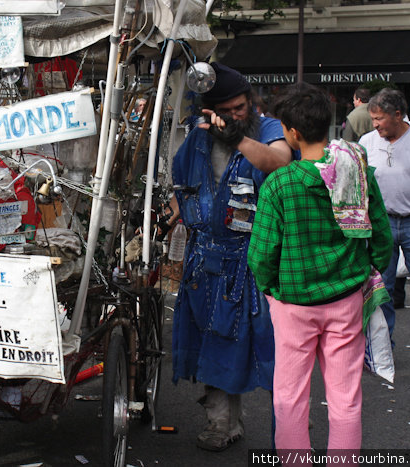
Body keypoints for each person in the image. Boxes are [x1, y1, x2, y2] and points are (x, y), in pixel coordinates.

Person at [248, 83, 392, 463]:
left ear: (292, 133)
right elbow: (380, 233)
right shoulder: (357, 169)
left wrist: (270, 288)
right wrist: (371, 269)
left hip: (293, 301)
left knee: (290, 395)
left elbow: (262, 252)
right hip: (345, 296)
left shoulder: (280, 184)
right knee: (345, 397)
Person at [171, 63, 292, 451]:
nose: (235, 115)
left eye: (240, 107)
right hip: (205, 258)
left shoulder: (268, 128)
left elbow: (280, 162)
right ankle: (222, 424)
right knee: (213, 340)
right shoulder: (199, 136)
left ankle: (289, 439)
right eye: (226, 110)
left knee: (277, 351)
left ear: (251, 101)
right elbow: (180, 181)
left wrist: (237, 134)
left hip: (255, 259)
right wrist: (173, 210)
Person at [359, 88, 410, 372]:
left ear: (398, 115)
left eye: (379, 118)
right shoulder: (367, 141)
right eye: (373, 118)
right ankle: (381, 349)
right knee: (381, 289)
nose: (375, 124)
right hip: (381, 222)